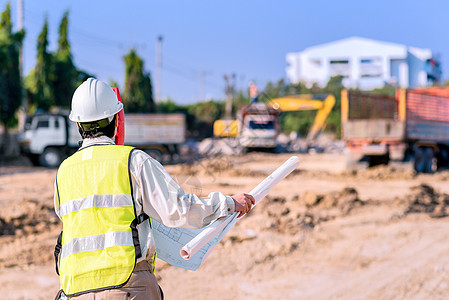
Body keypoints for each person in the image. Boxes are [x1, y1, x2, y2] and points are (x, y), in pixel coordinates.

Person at [53, 78, 255, 299]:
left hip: (74, 291)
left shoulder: (63, 172)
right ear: (115, 120)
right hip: (127, 286)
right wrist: (228, 203)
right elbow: (178, 210)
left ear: (78, 124)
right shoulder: (133, 161)